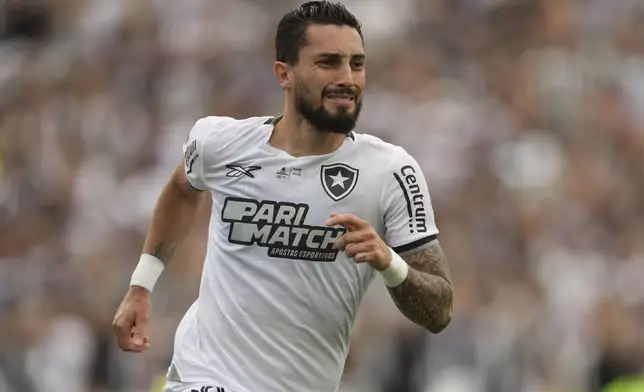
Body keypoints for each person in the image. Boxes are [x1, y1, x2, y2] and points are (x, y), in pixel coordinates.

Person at [112, 2, 453, 392]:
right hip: (204, 376)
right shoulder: (219, 143)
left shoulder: (390, 171)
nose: (347, 78)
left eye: (356, 64)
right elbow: (181, 189)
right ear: (284, 74)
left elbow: (440, 310)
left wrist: (388, 262)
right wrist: (142, 284)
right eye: (328, 62)